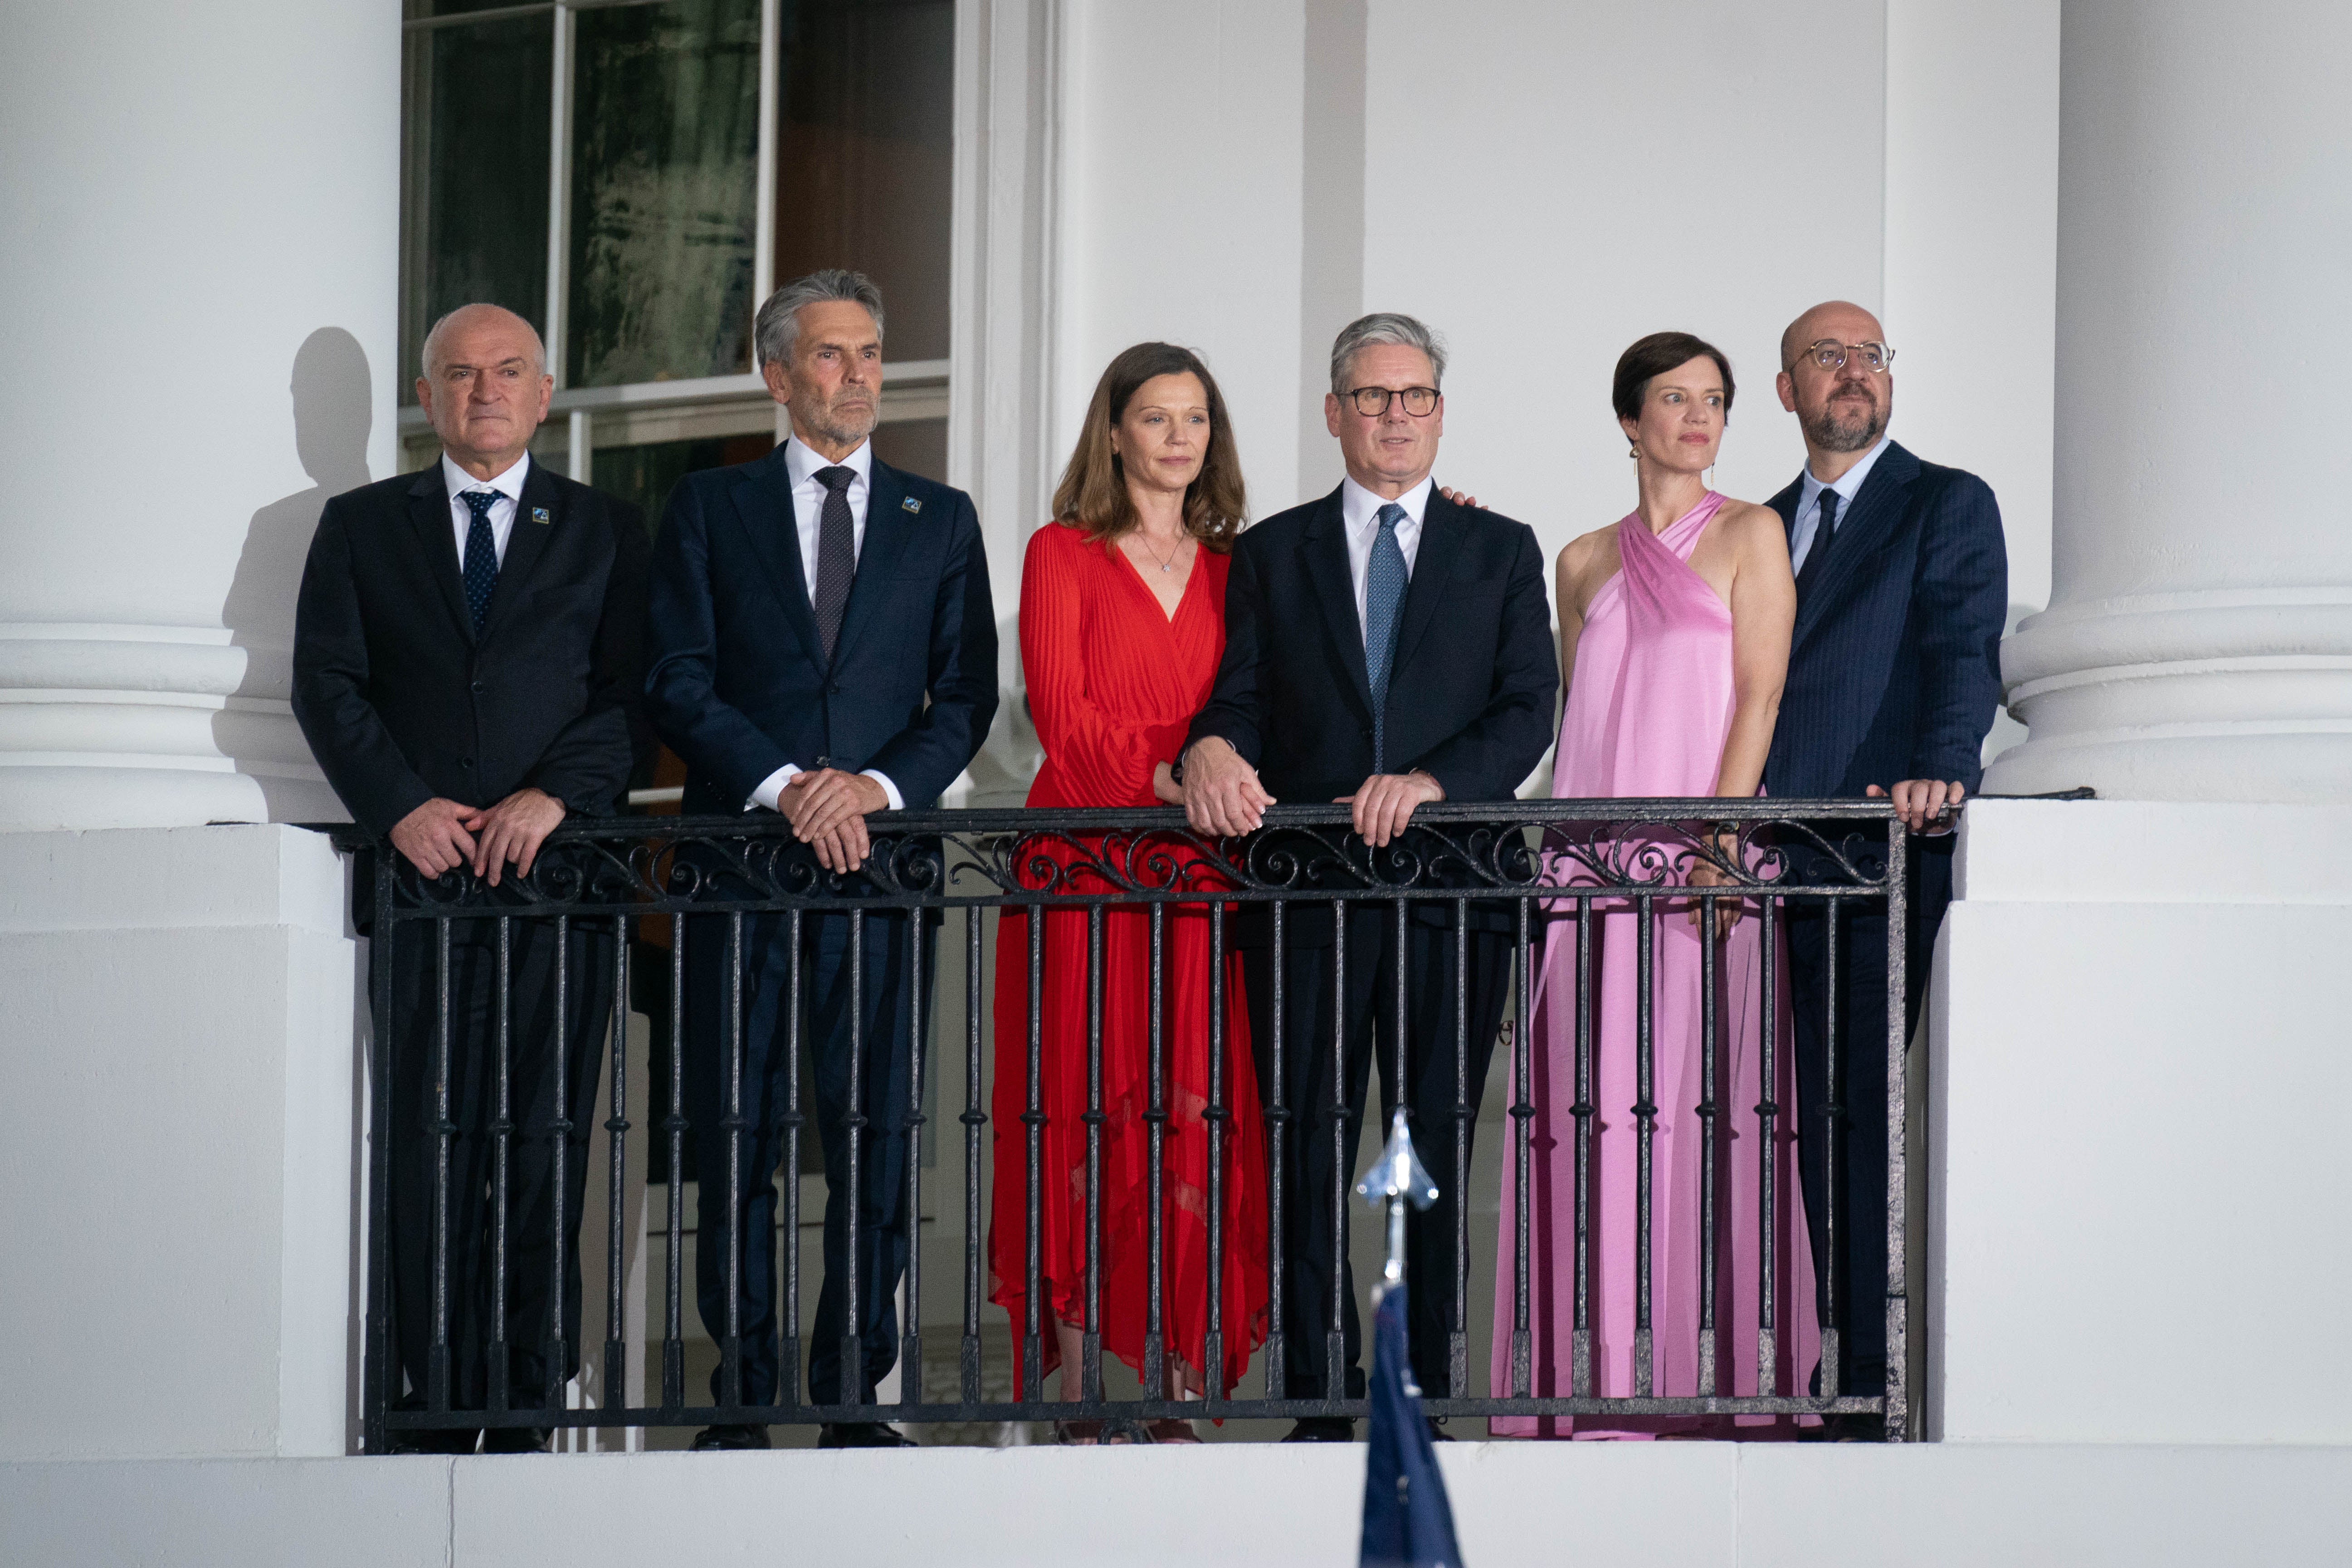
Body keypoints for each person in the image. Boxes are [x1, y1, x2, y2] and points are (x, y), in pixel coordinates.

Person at [1181, 313, 1557, 1439]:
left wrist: (1434, 782)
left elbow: (1527, 705)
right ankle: (1319, 1392)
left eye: (1416, 397)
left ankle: (1424, 1389)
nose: (1396, 415)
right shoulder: (1271, 550)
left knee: (1429, 1143)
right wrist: (1208, 742)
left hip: (1451, 889)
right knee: (1307, 1142)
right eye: (1374, 397)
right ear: (1334, 412)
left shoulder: (1500, 548)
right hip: (1305, 896)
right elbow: (1242, 694)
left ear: (1439, 412)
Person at [644, 269, 997, 1451]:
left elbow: (967, 698)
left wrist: (876, 790)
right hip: (741, 866)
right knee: (733, 1132)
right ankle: (742, 1391)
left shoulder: (937, 518)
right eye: (832, 356)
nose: (857, 377)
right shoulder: (706, 508)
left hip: (881, 879)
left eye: (869, 355)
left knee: (874, 1137)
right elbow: (675, 679)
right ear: (778, 372)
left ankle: (853, 1387)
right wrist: (791, 785)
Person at [293, 303, 650, 1454]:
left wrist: (558, 798)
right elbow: (328, 685)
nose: (484, 390)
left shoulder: (605, 530)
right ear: (428, 395)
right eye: (460, 374)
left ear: (544, 395)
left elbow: (632, 693)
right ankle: (427, 1401)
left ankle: (527, 1399)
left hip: (559, 885)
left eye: (507, 373)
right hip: (423, 888)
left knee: (545, 1141)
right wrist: (398, 807)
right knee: (424, 1141)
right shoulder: (359, 528)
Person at [1489, 332, 1816, 1438]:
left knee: (1694, 1120)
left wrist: (1719, 844)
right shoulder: (1580, 561)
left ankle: (1691, 1389)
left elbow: (1759, 698)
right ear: (1628, 421)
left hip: (1696, 874)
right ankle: (1585, 1386)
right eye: (1674, 399)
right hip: (1589, 873)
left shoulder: (1751, 533)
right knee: (1586, 1122)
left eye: (1714, 400)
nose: (1697, 416)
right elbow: (1580, 720)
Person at [988, 343, 1271, 1444]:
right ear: (1113, 433)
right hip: (1084, 864)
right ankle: (1079, 1394)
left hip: (1198, 874)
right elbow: (1060, 713)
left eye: (1194, 418)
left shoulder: (1239, 567)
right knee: (1081, 1104)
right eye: (1154, 418)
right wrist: (1179, 769)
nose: (1177, 438)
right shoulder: (1061, 553)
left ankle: (1173, 1383)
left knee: (1188, 1113)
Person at [1765, 300, 2006, 1437]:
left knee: (1852, 1111)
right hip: (1753, 869)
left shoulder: (1945, 501)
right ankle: (1770, 1356)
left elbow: (1963, 645)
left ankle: (1859, 1377)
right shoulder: (1755, 527)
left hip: (1879, 857)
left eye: (1870, 355)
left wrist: (1940, 773)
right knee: (1758, 1118)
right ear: (1786, 391)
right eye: (1828, 356)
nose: (1854, 373)